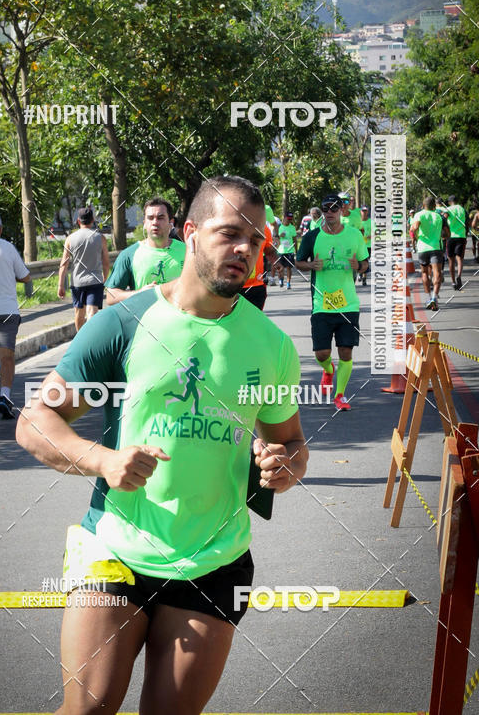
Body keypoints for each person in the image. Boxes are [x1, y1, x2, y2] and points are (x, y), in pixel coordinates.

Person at [16, 174, 307, 715]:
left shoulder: (271, 345)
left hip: (215, 561)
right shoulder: (124, 323)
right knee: (87, 711)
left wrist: (283, 466)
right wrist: (102, 460)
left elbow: (289, 442)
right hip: (116, 551)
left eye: (256, 240)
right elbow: (35, 421)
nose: (244, 249)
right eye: (229, 234)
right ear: (191, 233)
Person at [295, 193, 368, 411]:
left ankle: (340, 395)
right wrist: (311, 266)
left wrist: (359, 267)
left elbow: (365, 264)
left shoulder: (354, 235)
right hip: (322, 305)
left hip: (348, 304)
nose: (329, 213)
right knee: (322, 354)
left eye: (334, 208)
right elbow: (298, 262)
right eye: (326, 209)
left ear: (342, 210)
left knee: (346, 351)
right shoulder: (312, 237)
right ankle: (328, 370)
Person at [0, 213, 31, 418]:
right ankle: (6, 396)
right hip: (7, 310)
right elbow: (25, 276)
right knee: (7, 355)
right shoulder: (9, 248)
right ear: (0, 229)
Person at [106, 197, 185, 305]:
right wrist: (140, 293)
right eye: (150, 218)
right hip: (144, 320)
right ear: (144, 223)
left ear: (171, 222)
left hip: (180, 320)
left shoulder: (187, 251)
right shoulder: (129, 255)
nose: (155, 222)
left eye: (160, 217)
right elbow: (111, 296)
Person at [58, 207, 109, 332]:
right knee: (92, 312)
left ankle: (79, 340)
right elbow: (106, 262)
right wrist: (105, 277)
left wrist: (60, 285)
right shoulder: (100, 238)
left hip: (77, 282)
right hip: (95, 281)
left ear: (78, 221)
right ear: (92, 220)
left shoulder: (70, 239)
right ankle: (91, 339)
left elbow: (64, 264)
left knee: (79, 314)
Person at [410, 196, 449, 311]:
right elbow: (448, 233)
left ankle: (428, 297)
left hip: (422, 248)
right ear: (434, 206)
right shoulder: (439, 216)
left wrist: (416, 235)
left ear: (423, 205)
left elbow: (415, 227)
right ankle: (434, 297)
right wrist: (442, 236)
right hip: (436, 248)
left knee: (424, 273)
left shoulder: (419, 214)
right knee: (437, 272)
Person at [445, 194, 467, 290]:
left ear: (450, 202)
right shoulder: (462, 209)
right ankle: (459, 276)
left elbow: (444, 217)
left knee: (451, 259)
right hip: (461, 236)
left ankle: (453, 282)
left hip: (451, 236)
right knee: (459, 258)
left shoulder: (449, 209)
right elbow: (467, 221)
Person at [276, 211, 297, 289]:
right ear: (284, 218)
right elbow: (274, 239)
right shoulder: (279, 227)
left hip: (289, 251)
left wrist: (296, 250)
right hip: (280, 251)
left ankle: (288, 283)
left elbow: (295, 239)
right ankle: (281, 279)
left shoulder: (292, 228)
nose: (289, 220)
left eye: (291, 219)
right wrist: (279, 236)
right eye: (288, 219)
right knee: (280, 268)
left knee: (289, 268)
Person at [359, 206, 375, 286]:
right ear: (360, 212)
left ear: (367, 212)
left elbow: (375, 232)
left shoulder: (371, 222)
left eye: (365, 211)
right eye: (363, 211)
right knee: (359, 260)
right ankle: (360, 273)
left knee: (365, 261)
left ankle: (364, 278)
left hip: (368, 245)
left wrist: (370, 236)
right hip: (358, 245)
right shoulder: (358, 222)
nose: (364, 212)